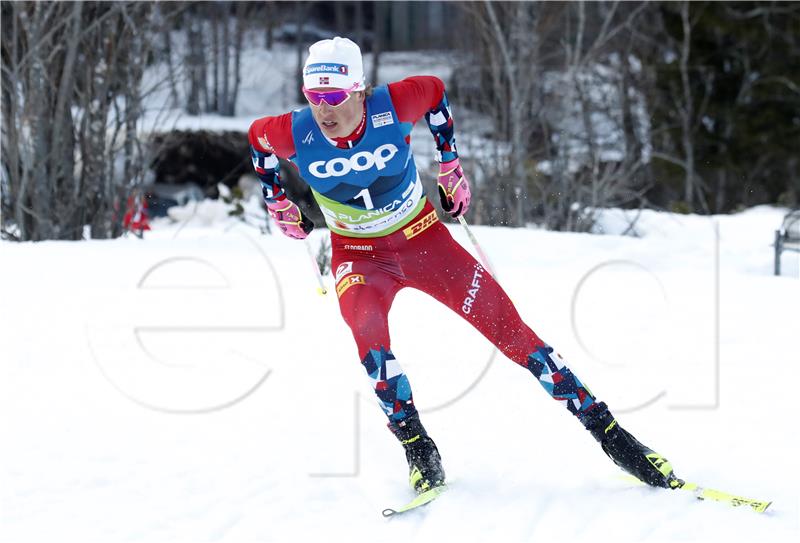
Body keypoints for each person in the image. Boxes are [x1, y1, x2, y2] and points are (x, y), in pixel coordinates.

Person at [249, 37, 681, 495]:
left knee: (516, 335)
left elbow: (435, 91)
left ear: (358, 90)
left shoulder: (392, 105)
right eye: (313, 97)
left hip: (424, 242)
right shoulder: (293, 132)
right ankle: (419, 452)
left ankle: (614, 438)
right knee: (371, 344)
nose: (323, 110)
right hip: (358, 257)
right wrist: (277, 201)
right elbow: (257, 143)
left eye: (333, 96)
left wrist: (450, 166)